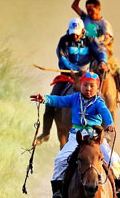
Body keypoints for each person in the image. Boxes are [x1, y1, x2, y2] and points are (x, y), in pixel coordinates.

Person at [30, 72, 120, 198]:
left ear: (97, 88)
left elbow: (106, 112)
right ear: (80, 85)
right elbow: (58, 100)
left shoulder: (99, 102)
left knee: (113, 159)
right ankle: (57, 193)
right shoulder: (74, 98)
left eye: (92, 86)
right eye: (85, 85)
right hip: (77, 136)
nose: (88, 88)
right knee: (60, 159)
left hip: (95, 137)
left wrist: (110, 123)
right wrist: (44, 99)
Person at [35, 18, 108, 146]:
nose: (74, 35)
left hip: (85, 76)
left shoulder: (90, 40)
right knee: (52, 100)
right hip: (67, 75)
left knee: (100, 99)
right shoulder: (64, 40)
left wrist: (103, 62)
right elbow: (62, 57)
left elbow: (100, 52)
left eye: (77, 33)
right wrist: (72, 69)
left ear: (83, 31)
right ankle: (45, 132)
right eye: (72, 32)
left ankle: (104, 131)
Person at [71, 0, 120, 103]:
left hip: (102, 52)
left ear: (99, 9)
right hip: (87, 53)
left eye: (92, 10)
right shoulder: (85, 18)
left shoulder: (104, 24)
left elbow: (108, 37)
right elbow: (74, 6)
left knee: (117, 69)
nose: (89, 12)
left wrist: (102, 43)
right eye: (88, 10)